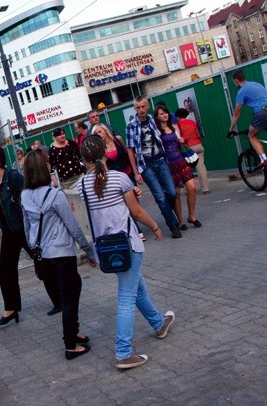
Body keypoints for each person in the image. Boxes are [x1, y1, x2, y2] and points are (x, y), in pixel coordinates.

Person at [79, 136, 175, 370]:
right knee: (126, 297)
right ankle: (123, 352)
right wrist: (154, 226)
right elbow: (137, 211)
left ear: (83, 159)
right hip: (128, 245)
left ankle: (159, 323)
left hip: (107, 249)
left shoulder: (82, 186)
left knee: (135, 287)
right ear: (106, 153)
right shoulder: (119, 178)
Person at [21, 151, 98, 359]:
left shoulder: (25, 195)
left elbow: (26, 227)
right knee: (70, 296)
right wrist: (89, 250)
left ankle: (74, 332)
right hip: (62, 252)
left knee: (70, 292)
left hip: (44, 254)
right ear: (45, 167)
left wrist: (34, 243)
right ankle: (70, 344)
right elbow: (73, 226)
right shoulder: (56, 195)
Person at [0, 146, 31, 326]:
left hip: (22, 228)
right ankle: (11, 309)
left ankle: (60, 299)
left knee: (43, 262)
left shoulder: (14, 178)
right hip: (9, 231)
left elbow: (28, 197)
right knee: (6, 271)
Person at [126, 96, 182, 239]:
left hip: (161, 160)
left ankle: (169, 213)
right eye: (138, 107)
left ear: (148, 106)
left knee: (172, 192)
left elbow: (168, 125)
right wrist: (136, 171)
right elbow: (130, 150)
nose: (141, 110)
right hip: (146, 165)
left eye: (143, 106)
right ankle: (173, 225)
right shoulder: (131, 125)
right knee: (160, 197)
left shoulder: (152, 119)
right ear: (135, 108)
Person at [92, 123, 146, 241]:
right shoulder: (99, 149)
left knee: (134, 201)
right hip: (116, 179)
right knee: (126, 205)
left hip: (128, 173)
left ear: (105, 131)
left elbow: (128, 154)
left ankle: (135, 223)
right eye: (95, 133)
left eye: (99, 131)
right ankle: (137, 230)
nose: (98, 134)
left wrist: (136, 172)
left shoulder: (118, 140)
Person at [154, 105, 202, 230]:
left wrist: (180, 140)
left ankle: (192, 215)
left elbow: (179, 141)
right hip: (168, 165)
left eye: (166, 113)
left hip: (181, 161)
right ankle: (180, 221)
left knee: (192, 187)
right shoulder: (157, 131)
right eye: (161, 114)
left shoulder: (174, 127)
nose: (165, 115)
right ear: (157, 117)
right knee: (176, 193)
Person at [48, 127, 89, 238]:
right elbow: (52, 166)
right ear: (55, 137)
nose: (62, 136)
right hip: (66, 180)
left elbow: (80, 157)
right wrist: (54, 179)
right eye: (59, 135)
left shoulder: (71, 143)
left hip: (78, 174)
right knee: (73, 202)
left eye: (63, 134)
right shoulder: (52, 150)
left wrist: (86, 168)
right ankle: (81, 224)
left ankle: (88, 221)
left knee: (84, 197)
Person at [176, 108, 210, 194]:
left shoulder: (178, 124)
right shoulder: (192, 122)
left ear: (178, 116)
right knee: (201, 167)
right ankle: (206, 189)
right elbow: (198, 134)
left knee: (186, 169)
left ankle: (187, 189)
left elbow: (179, 138)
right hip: (198, 145)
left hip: (187, 148)